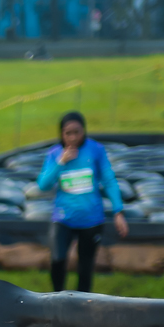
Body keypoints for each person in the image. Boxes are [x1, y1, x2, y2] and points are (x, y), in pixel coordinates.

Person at [37, 111, 127, 294]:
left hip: (91, 219)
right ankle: (56, 297)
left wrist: (118, 211)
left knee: (85, 266)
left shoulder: (95, 150)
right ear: (61, 134)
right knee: (58, 259)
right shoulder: (54, 154)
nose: (73, 138)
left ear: (84, 131)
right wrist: (61, 162)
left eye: (77, 132)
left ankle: (82, 302)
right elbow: (43, 185)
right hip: (63, 218)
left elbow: (109, 180)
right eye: (68, 133)